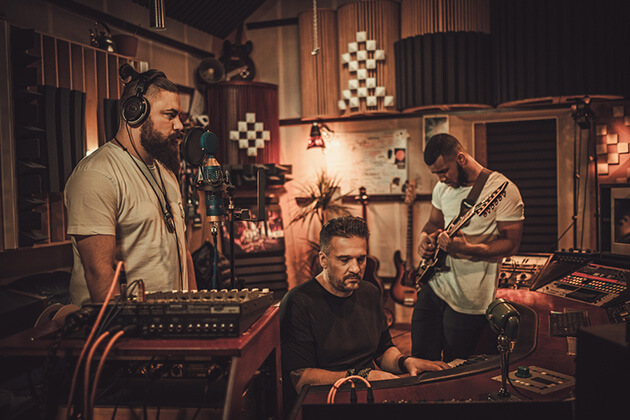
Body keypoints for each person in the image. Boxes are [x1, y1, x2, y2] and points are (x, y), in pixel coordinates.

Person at [280, 216, 450, 404]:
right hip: (328, 400)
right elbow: (300, 378)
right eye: (344, 260)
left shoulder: (370, 292)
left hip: (368, 394)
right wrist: (361, 376)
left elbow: (383, 350)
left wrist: (405, 362)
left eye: (361, 259)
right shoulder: (299, 302)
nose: (355, 268)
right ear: (323, 260)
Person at [64, 64, 196, 304]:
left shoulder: (167, 173)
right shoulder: (97, 175)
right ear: (135, 112)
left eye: (179, 116)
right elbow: (99, 272)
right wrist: (124, 326)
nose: (179, 125)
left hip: (171, 320)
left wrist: (195, 307)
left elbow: (184, 254)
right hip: (126, 324)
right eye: (170, 115)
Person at [412, 133, 524, 363]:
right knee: (421, 359)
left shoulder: (502, 189)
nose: (441, 178)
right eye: (436, 174)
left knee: (456, 365)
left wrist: (468, 248)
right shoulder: (442, 188)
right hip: (435, 285)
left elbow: (511, 244)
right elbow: (433, 223)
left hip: (470, 298)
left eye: (444, 171)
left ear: (461, 159)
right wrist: (424, 239)